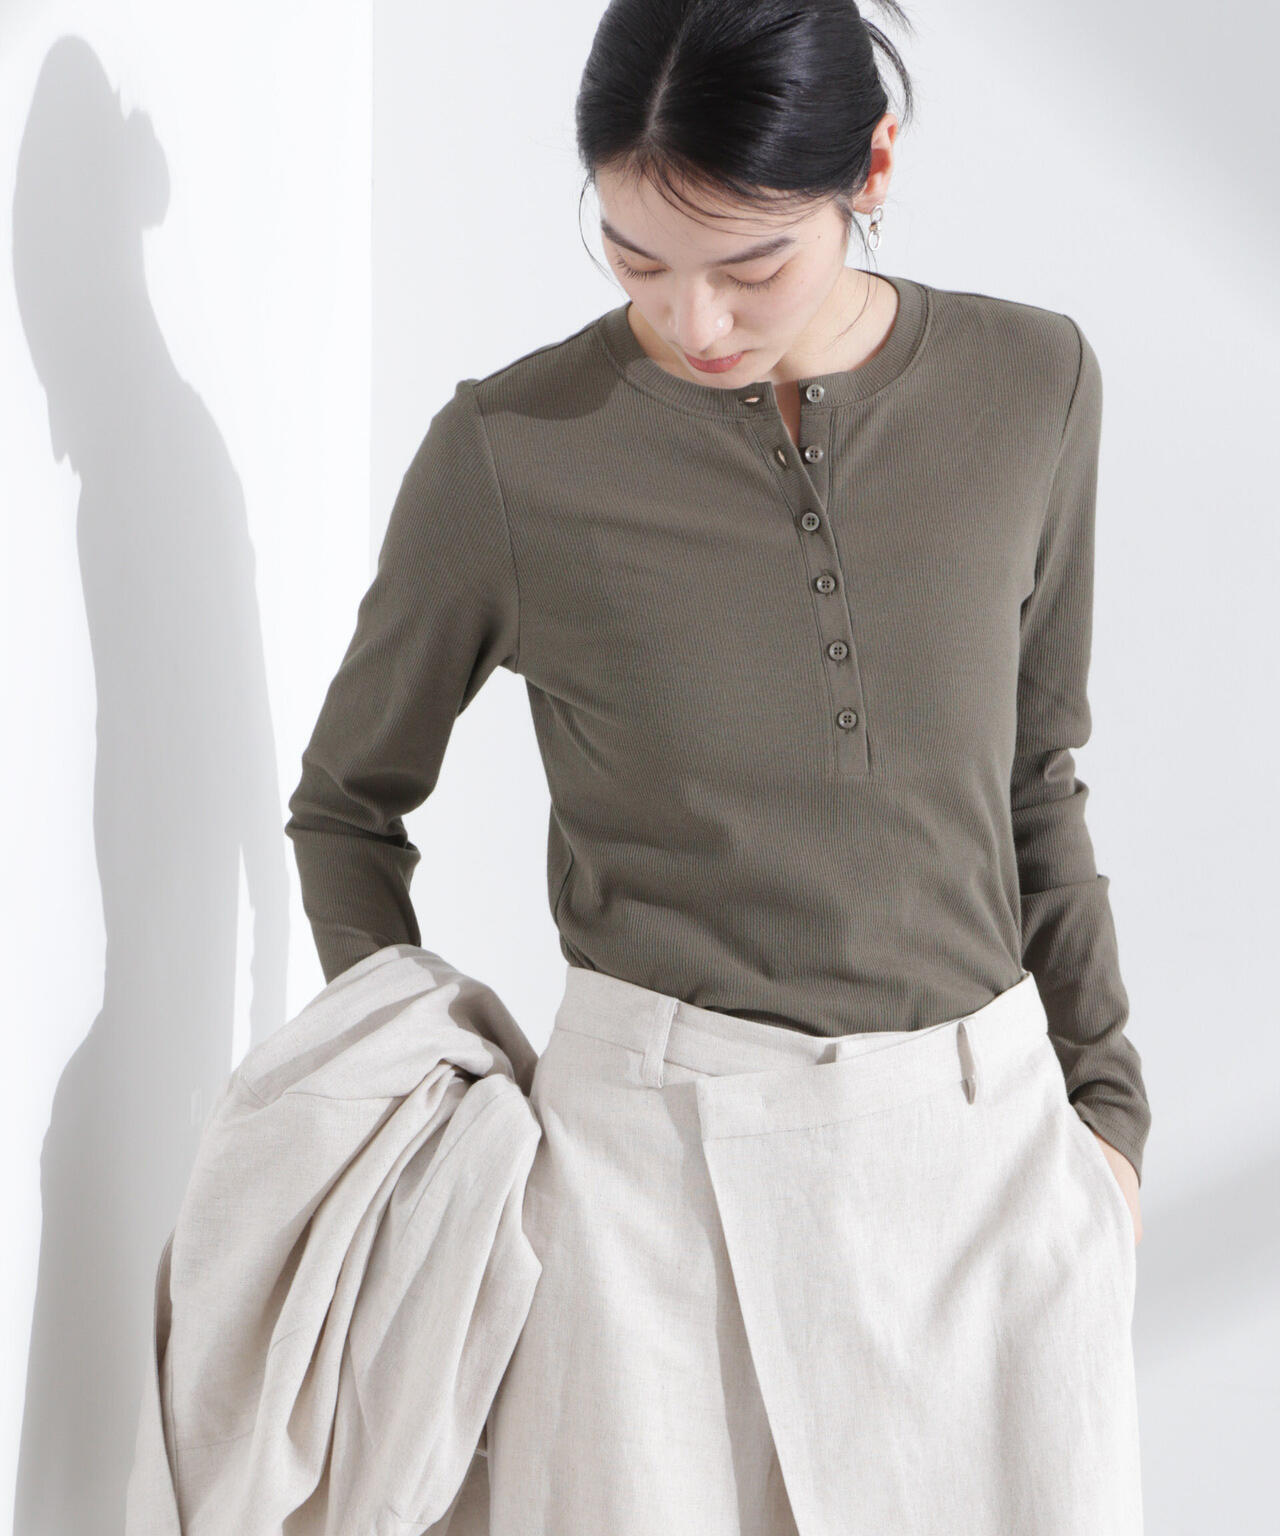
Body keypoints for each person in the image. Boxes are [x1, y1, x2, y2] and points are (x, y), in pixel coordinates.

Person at [284, 1, 1150, 1531]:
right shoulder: (511, 449)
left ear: (873, 167)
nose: (694, 322)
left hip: (983, 1173)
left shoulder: (1034, 384)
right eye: (633, 257)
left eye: (751, 264)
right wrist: (428, 1112)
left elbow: (1036, 770)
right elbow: (347, 807)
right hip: (646, 1205)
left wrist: (1108, 1111)